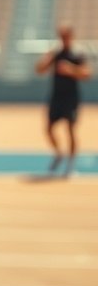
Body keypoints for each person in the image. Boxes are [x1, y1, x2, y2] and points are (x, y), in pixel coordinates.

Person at [35, 23, 92, 176]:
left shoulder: (77, 53)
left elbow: (87, 74)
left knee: (71, 129)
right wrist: (47, 58)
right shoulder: (56, 53)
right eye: (61, 35)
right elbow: (39, 70)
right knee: (48, 129)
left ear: (71, 36)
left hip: (71, 98)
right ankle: (59, 153)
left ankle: (71, 163)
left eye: (65, 35)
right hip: (56, 97)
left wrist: (70, 69)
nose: (63, 38)